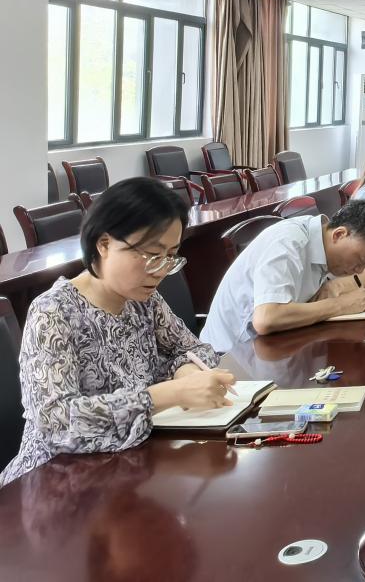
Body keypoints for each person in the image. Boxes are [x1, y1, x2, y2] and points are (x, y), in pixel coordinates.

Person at [1, 178, 236, 487]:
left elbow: (193, 349)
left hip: (126, 467)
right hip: (55, 481)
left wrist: (187, 373)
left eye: (170, 256)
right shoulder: (53, 312)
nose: (161, 270)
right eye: (152, 255)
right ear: (104, 244)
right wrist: (168, 394)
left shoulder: (144, 301)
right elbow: (57, 421)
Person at [201, 200, 365, 354]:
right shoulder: (289, 243)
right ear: (339, 234)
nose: (361, 270)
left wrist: (337, 286)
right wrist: (341, 305)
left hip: (276, 344)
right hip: (229, 357)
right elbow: (267, 319)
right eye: (362, 259)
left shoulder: (325, 242)